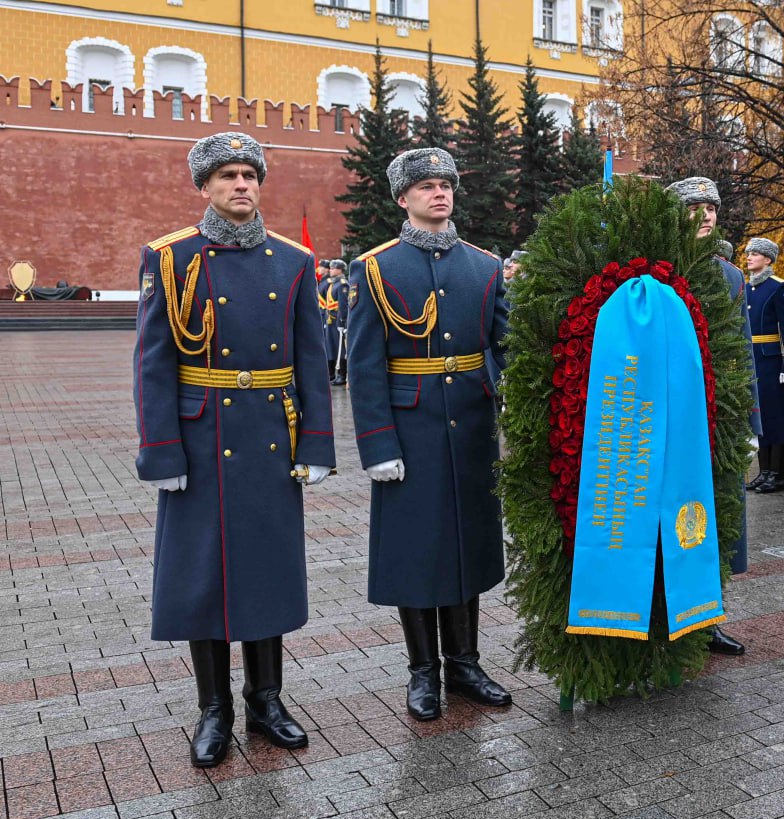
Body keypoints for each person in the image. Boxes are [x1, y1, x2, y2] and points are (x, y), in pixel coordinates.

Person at [132, 131, 335, 767]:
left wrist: (317, 443)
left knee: (267, 569)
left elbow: (312, 359)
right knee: (204, 576)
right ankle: (214, 707)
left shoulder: (293, 260)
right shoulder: (170, 257)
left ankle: (266, 699)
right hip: (202, 440)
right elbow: (153, 363)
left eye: (250, 174)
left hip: (270, 435)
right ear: (204, 186)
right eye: (227, 176)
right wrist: (161, 450)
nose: (241, 184)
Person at [347, 148, 512, 720]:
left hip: (470, 427)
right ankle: (423, 672)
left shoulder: (483, 266)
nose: (439, 193)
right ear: (403, 198)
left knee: (467, 545)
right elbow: (365, 363)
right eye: (426, 186)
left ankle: (465, 664)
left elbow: (506, 347)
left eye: (445, 185)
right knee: (417, 550)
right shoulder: (375, 268)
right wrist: (377, 444)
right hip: (409, 430)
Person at [667, 177, 757, 656]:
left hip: (719, 415)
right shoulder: (658, 270)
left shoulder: (730, 276)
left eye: (712, 208)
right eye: (694, 208)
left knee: (718, 517)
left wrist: (751, 422)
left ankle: (709, 617)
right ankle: (666, 620)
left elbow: (743, 353)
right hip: (669, 413)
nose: (705, 216)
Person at [743, 237, 784, 494]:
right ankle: (764, 471)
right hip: (752, 358)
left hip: (772, 359)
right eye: (748, 253)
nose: (749, 257)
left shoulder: (778, 287)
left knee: (775, 416)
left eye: (755, 254)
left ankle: (776, 474)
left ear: (767, 259)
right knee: (759, 415)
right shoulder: (747, 288)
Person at [329, 259, 350, 386]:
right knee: (335, 347)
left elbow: (343, 305)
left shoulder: (342, 284)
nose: (331, 270)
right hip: (332, 319)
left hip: (338, 320)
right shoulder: (335, 283)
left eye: (333, 268)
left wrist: (342, 321)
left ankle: (342, 375)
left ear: (340, 270)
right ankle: (338, 374)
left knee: (341, 349)